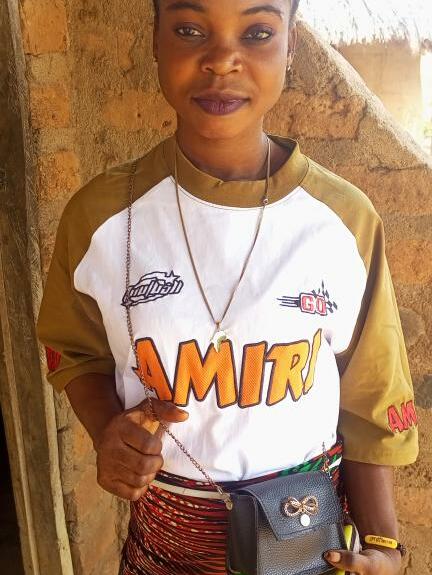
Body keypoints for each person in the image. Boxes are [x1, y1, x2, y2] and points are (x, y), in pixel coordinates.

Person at [37, 1, 419, 574]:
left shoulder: (343, 221)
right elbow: (74, 350)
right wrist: (106, 430)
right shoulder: (102, 217)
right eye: (190, 30)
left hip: (305, 544)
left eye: (257, 32)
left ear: (291, 46)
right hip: (164, 549)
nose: (222, 60)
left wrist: (385, 545)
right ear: (156, 41)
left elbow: (369, 396)